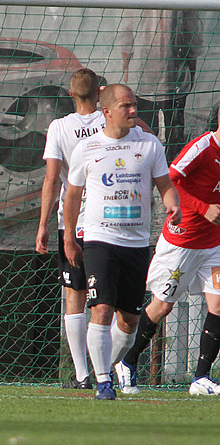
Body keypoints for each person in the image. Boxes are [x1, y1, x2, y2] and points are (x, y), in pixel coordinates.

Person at [63, 84, 180, 400]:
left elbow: (165, 185)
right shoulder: (87, 148)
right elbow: (72, 196)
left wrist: (173, 204)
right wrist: (69, 236)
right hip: (100, 240)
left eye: (134, 105)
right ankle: (102, 381)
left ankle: (112, 364)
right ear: (107, 111)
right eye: (126, 105)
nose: (133, 110)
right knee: (101, 308)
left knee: (129, 320)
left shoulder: (150, 144)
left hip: (138, 244)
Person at [116, 105, 220, 396]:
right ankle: (127, 360)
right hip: (181, 243)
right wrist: (202, 208)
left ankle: (201, 378)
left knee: (218, 305)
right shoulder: (202, 147)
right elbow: (172, 178)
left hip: (214, 246)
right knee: (163, 306)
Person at [36, 69, 104, 389]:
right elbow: (146, 134)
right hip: (108, 222)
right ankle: (110, 371)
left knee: (74, 296)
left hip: (74, 223)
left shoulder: (59, 127)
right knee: (107, 300)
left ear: (70, 94)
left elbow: (52, 179)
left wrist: (43, 226)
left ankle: (82, 376)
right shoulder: (111, 121)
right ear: (99, 92)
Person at [118, 0, 202, 161]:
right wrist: (191, 73)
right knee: (176, 135)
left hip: (143, 79)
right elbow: (192, 40)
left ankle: (148, 178)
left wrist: (127, 71)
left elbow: (126, 37)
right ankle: (173, 179)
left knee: (145, 134)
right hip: (176, 79)